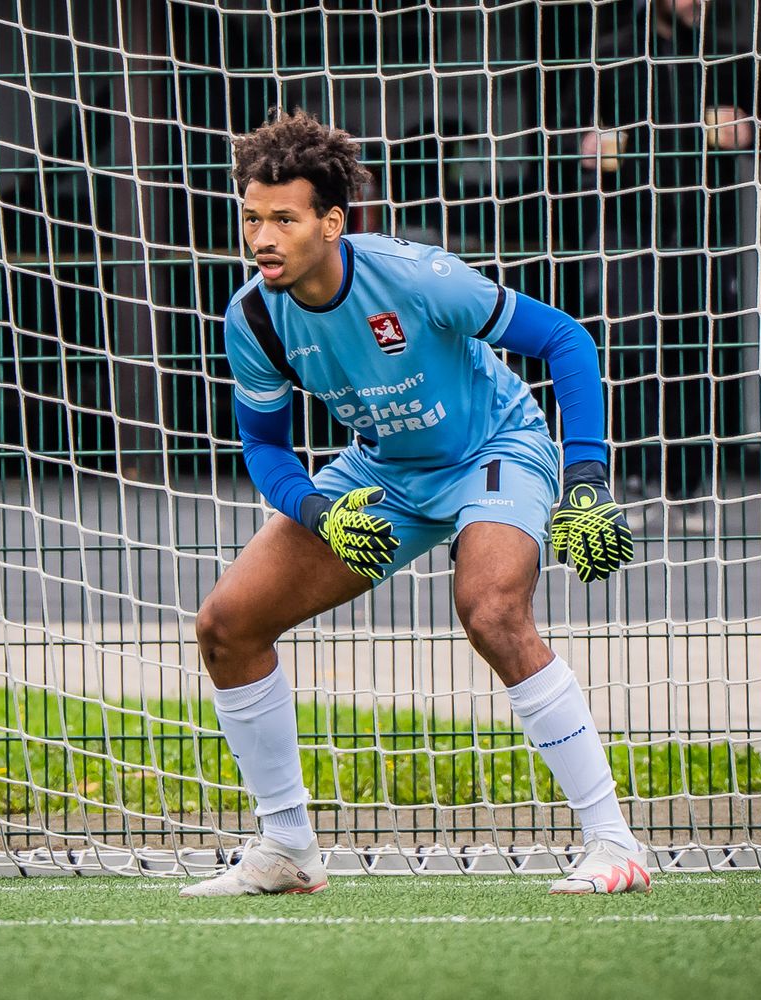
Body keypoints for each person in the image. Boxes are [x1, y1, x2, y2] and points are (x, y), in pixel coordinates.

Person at [181, 110, 645, 898]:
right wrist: (321, 512)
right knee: (227, 625)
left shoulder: (421, 278)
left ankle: (614, 842)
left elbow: (566, 338)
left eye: (284, 219)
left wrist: (589, 479)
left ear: (332, 222)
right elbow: (264, 447)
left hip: (492, 449)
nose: (262, 237)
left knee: (491, 610)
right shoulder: (253, 316)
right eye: (252, 218)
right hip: (382, 473)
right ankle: (288, 845)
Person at [563, 0, 761, 526]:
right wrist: (588, 148)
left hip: (705, 230)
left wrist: (750, 130)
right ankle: (640, 476)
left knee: (700, 347)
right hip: (630, 228)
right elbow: (561, 139)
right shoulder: (612, 55)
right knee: (634, 347)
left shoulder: (728, 57)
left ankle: (690, 483)